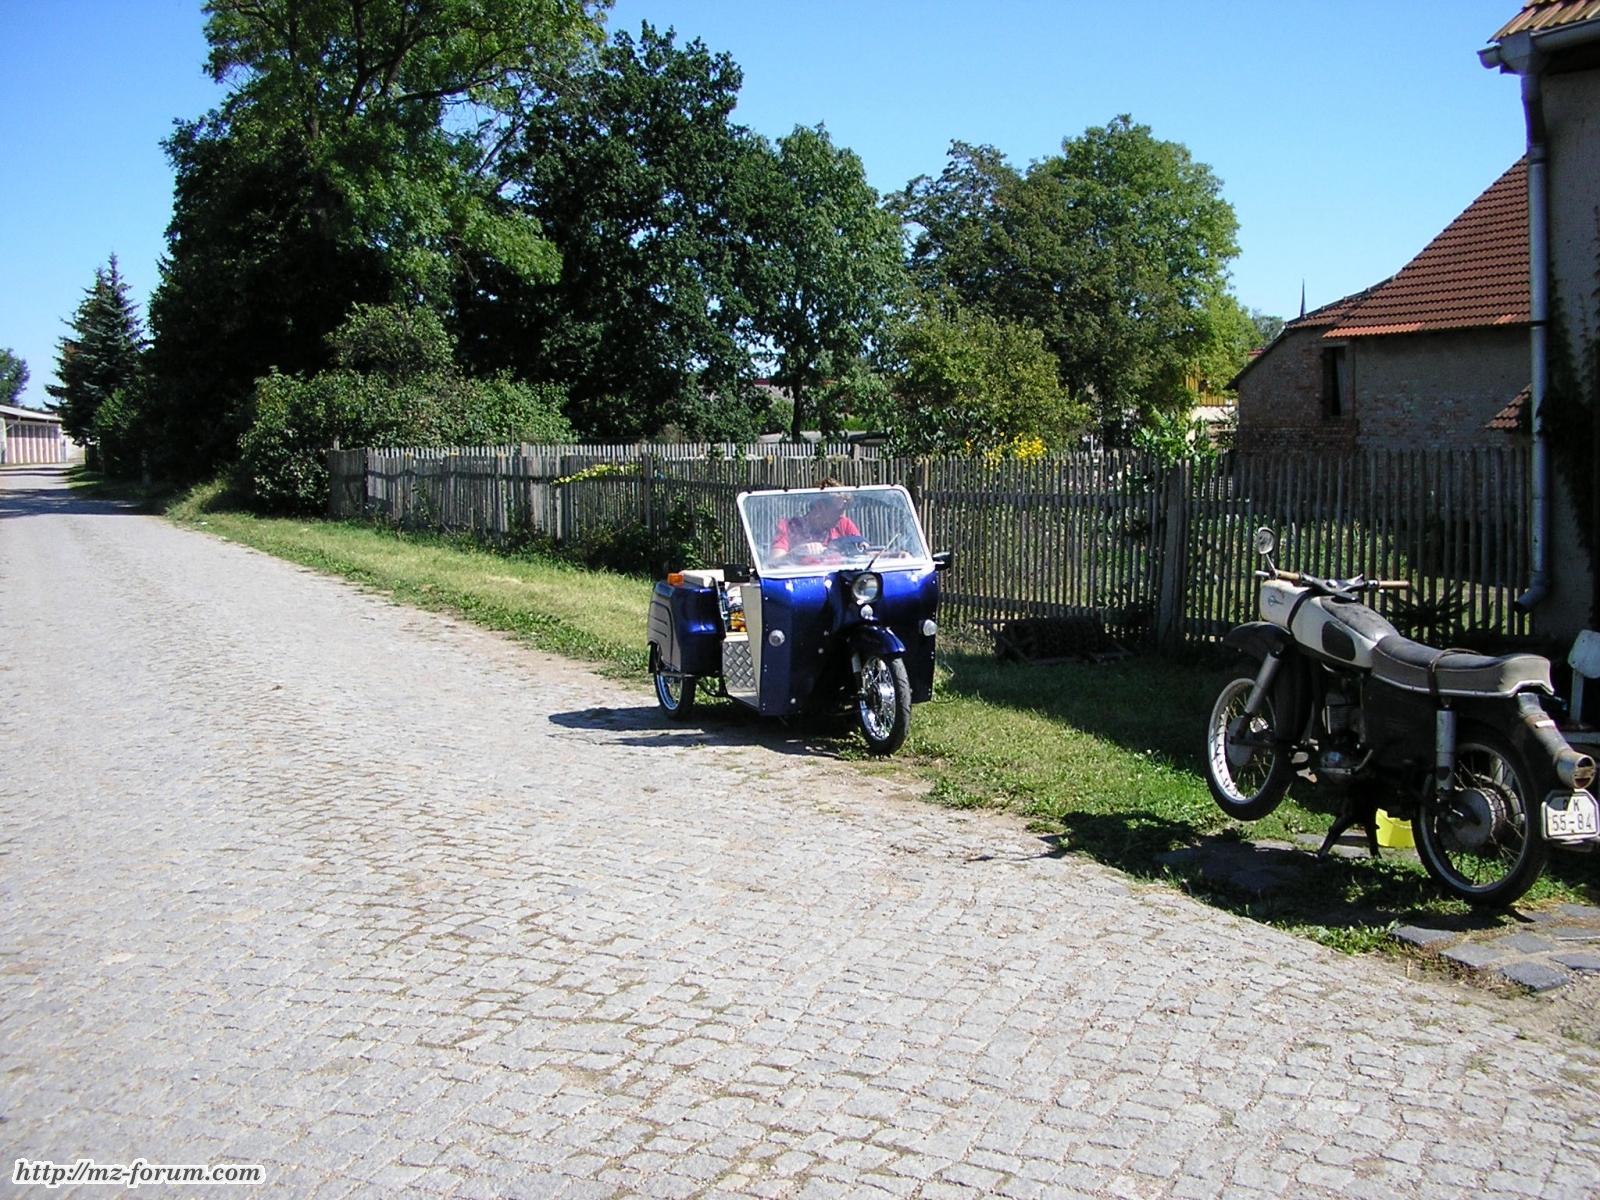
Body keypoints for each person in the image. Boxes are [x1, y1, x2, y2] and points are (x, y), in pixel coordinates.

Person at [772, 481, 860, 560]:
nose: (842, 515)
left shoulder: (844, 524)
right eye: (838, 510)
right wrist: (796, 553)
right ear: (819, 506)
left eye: (844, 509)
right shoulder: (789, 526)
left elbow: (864, 551)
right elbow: (774, 560)